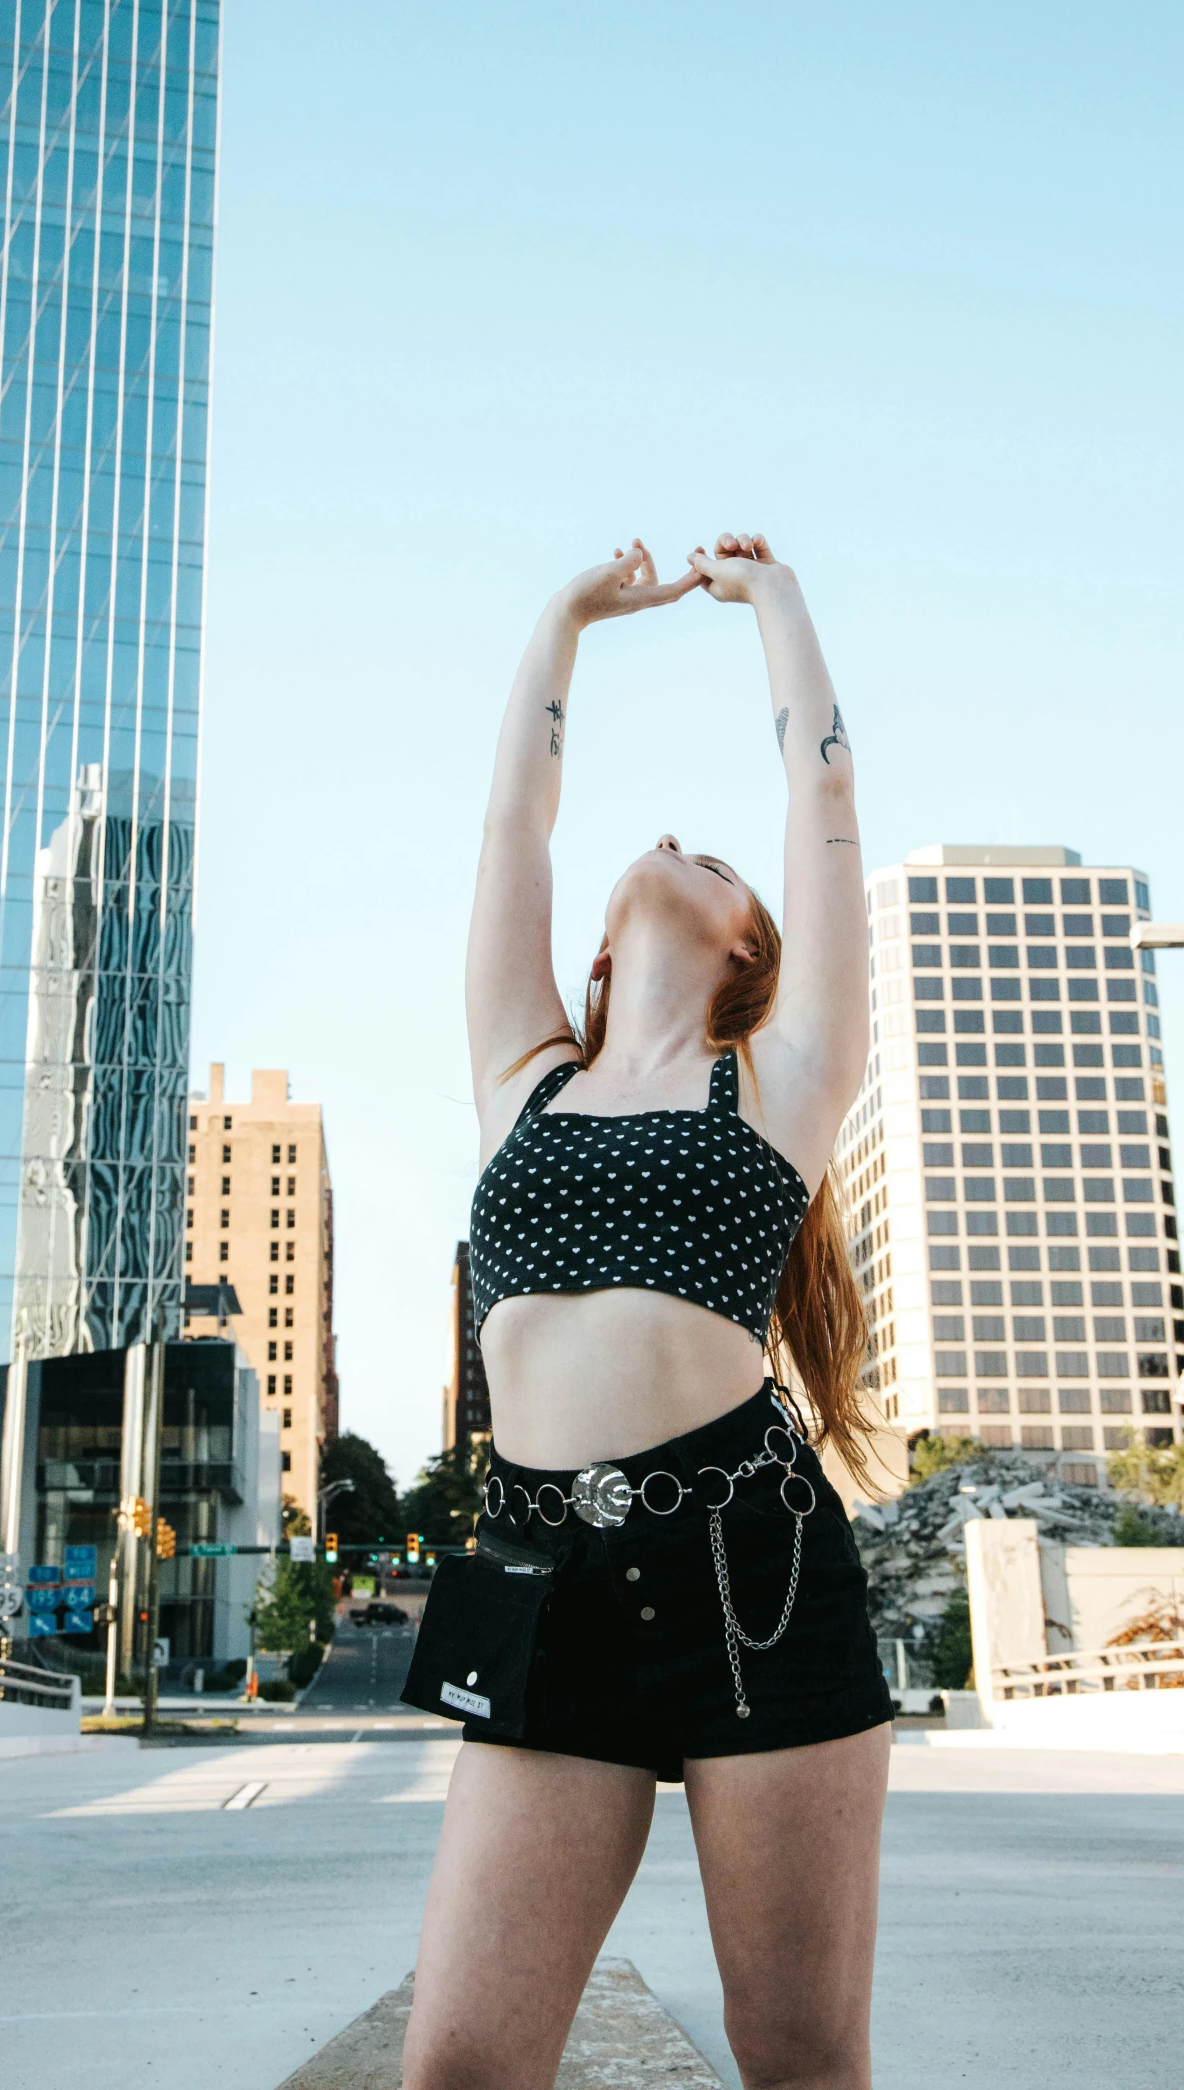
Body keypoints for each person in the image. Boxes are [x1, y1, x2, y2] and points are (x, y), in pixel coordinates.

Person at [401, 534, 891, 2090]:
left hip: (753, 1570)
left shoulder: (784, 1078)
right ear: (598, 948)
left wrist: (777, 603)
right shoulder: (520, 1080)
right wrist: (562, 621)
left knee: (796, 2051)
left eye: (721, 862)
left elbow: (823, 804)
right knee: (460, 2064)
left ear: (750, 946)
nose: (686, 836)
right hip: (545, 1576)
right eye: (672, 843)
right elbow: (509, 824)